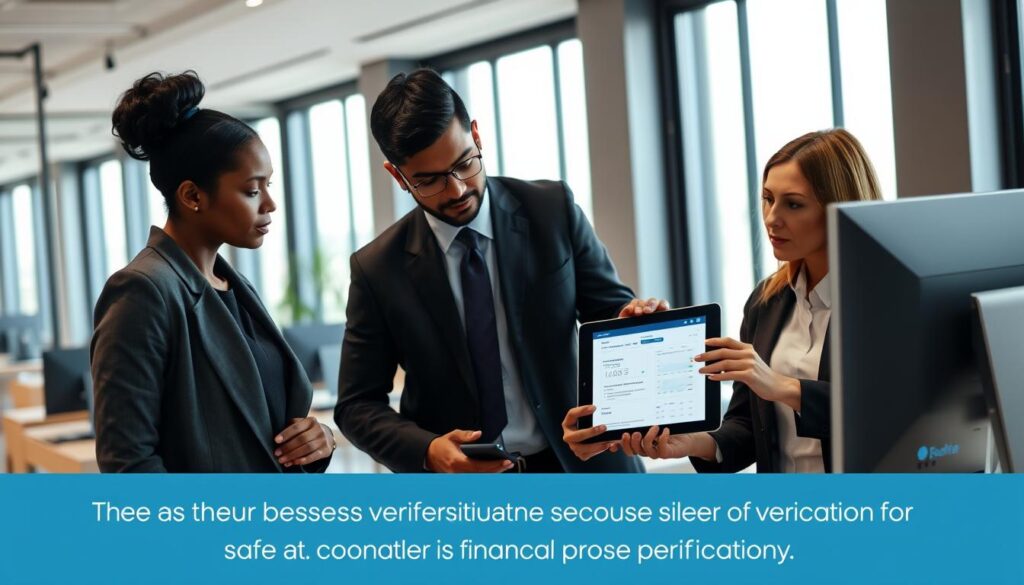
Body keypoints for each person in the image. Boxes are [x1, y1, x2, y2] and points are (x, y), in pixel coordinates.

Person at [334, 69, 667, 473]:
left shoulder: (551, 209)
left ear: (476, 135)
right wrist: (428, 450)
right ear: (398, 176)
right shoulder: (376, 269)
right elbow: (356, 405)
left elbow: (608, 310)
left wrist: (631, 320)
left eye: (464, 164)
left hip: (585, 466)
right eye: (430, 181)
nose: (456, 189)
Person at [563, 128, 883, 473]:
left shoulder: (885, 301)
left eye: (793, 204)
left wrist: (784, 387)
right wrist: (692, 443)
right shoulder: (768, 301)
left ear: (840, 208)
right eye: (768, 198)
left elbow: (889, 414)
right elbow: (746, 428)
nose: (772, 218)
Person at [92, 71, 335, 473]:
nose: (270, 203)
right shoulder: (142, 291)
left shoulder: (235, 288)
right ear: (192, 196)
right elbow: (129, 467)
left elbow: (262, 427)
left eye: (268, 185)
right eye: (253, 190)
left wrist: (316, 439)